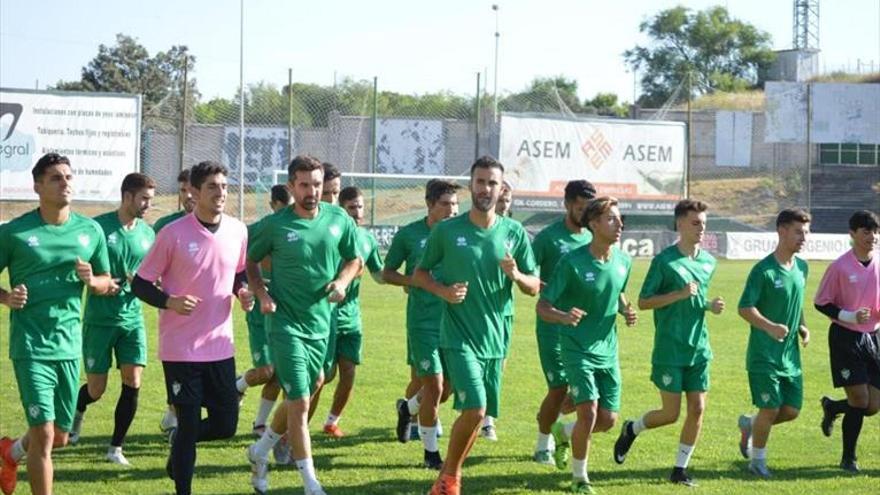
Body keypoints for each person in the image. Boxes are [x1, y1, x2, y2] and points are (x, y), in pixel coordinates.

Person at [416, 156, 541, 495]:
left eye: (492, 183)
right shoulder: (447, 230)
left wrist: (515, 275)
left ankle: (447, 476)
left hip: (495, 339)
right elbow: (420, 274)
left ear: (502, 189)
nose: (486, 188)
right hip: (458, 335)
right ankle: (449, 480)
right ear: (471, 184)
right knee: (475, 408)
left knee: (475, 415)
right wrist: (443, 291)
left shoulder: (514, 233)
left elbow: (534, 286)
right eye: (480, 181)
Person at [131, 160, 252, 495]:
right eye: (213, 187)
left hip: (220, 344)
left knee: (226, 424)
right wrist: (169, 301)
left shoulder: (239, 230)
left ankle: (179, 445)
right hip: (180, 348)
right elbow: (140, 284)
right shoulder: (172, 234)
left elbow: (239, 272)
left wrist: (242, 291)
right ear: (194, 192)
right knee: (186, 421)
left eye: (225, 187)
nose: (221, 193)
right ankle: (182, 487)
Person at [0, 153, 117, 495]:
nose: (65, 182)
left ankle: (9, 453)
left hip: (68, 345)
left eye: (68, 176)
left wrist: (91, 281)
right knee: (45, 435)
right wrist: (7, 298)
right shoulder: (15, 232)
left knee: (60, 437)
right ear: (37, 186)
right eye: (55, 178)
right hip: (30, 345)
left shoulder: (90, 230)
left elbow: (107, 281)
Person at [245, 155, 362, 495]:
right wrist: (261, 291)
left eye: (316, 184)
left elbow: (354, 259)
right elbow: (251, 261)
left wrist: (341, 281)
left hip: (321, 324)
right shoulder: (275, 225)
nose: (312, 191)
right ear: (292, 186)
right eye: (304, 185)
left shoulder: (338, 219)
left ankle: (260, 450)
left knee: (313, 386)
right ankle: (311, 483)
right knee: (299, 402)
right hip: (284, 324)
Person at [613, 199, 725, 487]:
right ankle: (632, 428)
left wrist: (709, 305)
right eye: (695, 223)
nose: (701, 229)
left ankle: (680, 469)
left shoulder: (708, 261)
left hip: (699, 347)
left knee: (698, 409)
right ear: (679, 224)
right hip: (669, 349)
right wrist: (678, 294)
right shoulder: (664, 262)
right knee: (670, 414)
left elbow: (697, 298)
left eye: (704, 223)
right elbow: (644, 301)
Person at [537, 196, 637, 493]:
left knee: (608, 419)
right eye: (611, 219)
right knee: (589, 412)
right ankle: (580, 479)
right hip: (576, 348)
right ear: (593, 224)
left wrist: (625, 309)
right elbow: (543, 306)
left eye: (620, 219)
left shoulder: (624, 260)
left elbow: (616, 291)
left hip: (608, 351)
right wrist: (564, 316)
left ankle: (563, 432)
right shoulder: (572, 262)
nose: (619, 224)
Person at [68, 173, 158, 467]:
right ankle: (78, 411)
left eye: (150, 199)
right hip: (99, 320)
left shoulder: (148, 234)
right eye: (143, 198)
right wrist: (96, 281)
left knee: (133, 381)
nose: (147, 204)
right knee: (97, 389)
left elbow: (154, 274)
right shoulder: (99, 227)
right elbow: (81, 267)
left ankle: (116, 448)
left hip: (132, 320)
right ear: (127, 196)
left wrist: (144, 282)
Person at [384, 179, 461, 468]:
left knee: (450, 386)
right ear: (429, 204)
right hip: (423, 323)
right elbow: (387, 272)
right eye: (445, 204)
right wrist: (412, 281)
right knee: (434, 384)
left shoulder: (460, 234)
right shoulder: (409, 235)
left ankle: (408, 408)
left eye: (455, 204)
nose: (452, 210)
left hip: (454, 322)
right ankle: (431, 453)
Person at [736, 208, 812, 477]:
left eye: (806, 232)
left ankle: (749, 425)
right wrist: (769, 327)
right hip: (763, 355)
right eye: (798, 232)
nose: (803, 237)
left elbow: (796, 302)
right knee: (770, 408)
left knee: (791, 410)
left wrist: (802, 325)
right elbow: (744, 307)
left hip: (790, 356)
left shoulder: (802, 267)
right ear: (781, 231)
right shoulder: (763, 270)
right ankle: (757, 462)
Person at [530, 180, 596, 466]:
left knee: (582, 392)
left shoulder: (593, 238)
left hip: (584, 328)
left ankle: (552, 419)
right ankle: (542, 444)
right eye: (580, 208)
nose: (584, 214)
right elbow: (529, 274)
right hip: (552, 324)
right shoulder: (548, 238)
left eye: (588, 209)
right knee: (558, 388)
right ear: (567, 204)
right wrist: (553, 288)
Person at [814, 209, 880, 473]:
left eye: (876, 231)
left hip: (873, 337)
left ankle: (832, 407)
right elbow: (821, 302)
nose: (872, 237)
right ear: (852, 234)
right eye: (867, 232)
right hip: (845, 338)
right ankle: (848, 458)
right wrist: (849, 315)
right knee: (859, 399)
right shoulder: (840, 266)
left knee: (872, 405)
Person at [321, 186, 385, 438]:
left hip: (351, 318)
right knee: (322, 376)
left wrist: (410, 282)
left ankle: (332, 421)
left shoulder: (367, 239)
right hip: (325, 316)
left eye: (360, 207)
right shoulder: (331, 235)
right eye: (352, 207)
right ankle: (296, 424)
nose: (358, 212)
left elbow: (379, 275)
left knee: (348, 372)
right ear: (341, 209)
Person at [235, 185, 294, 442]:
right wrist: (246, 289)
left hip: (284, 311)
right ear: (273, 205)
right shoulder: (255, 231)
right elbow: (239, 265)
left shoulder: (296, 229)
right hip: (260, 311)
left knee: (279, 373)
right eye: (284, 207)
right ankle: (236, 387)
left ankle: (260, 424)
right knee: (267, 371)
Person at [153, 167, 195, 435]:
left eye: (192, 189)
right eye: (182, 191)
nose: (188, 195)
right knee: (179, 364)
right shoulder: (165, 226)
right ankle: (176, 415)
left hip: (207, 312)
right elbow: (150, 267)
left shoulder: (221, 225)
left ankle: (175, 415)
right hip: (173, 309)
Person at [480, 180, 516, 441]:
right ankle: (417, 408)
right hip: (475, 310)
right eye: (500, 201)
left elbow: (529, 273)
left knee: (498, 366)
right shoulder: (475, 228)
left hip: (503, 310)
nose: (503, 206)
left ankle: (487, 420)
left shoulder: (514, 232)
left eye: (507, 202)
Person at [153, 168, 195, 233]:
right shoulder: (165, 224)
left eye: (192, 190)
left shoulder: (213, 225)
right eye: (183, 190)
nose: (188, 195)